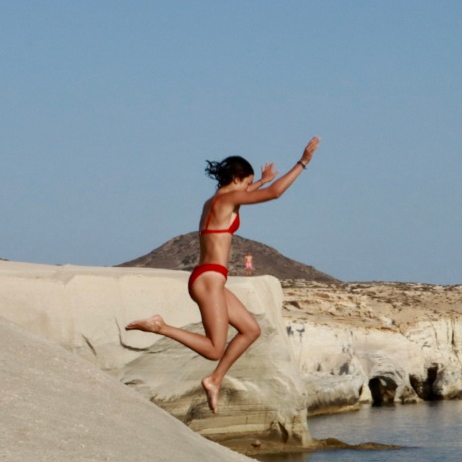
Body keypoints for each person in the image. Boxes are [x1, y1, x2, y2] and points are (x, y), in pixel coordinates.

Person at [126, 136, 320, 413]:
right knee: (214, 349)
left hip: (210, 278)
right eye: (247, 182)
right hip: (208, 281)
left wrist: (260, 180)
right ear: (239, 178)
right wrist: (302, 162)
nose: (248, 188)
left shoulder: (214, 200)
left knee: (251, 329)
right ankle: (161, 327)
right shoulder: (229, 199)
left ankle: (214, 379)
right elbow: (276, 193)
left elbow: (248, 192)